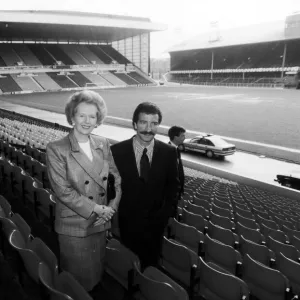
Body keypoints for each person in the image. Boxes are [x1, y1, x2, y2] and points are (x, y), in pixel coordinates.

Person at [46, 90, 121, 292]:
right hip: (75, 225)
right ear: (72, 117)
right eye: (81, 115)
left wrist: (110, 209)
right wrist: (98, 209)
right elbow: (63, 191)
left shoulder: (103, 143)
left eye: (92, 116)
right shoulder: (56, 148)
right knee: (77, 283)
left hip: (100, 222)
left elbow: (116, 179)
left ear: (98, 119)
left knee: (96, 275)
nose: (87, 121)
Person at [111, 102, 179, 269]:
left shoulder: (169, 153)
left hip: (156, 225)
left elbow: (173, 188)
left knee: (150, 265)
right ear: (134, 124)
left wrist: (164, 216)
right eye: (143, 122)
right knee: (129, 266)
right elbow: (110, 188)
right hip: (128, 222)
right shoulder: (116, 151)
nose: (148, 129)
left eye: (154, 124)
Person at [168, 126, 186, 199]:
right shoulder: (167, 151)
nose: (184, 138)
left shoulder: (176, 149)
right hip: (171, 192)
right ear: (175, 137)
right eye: (182, 136)